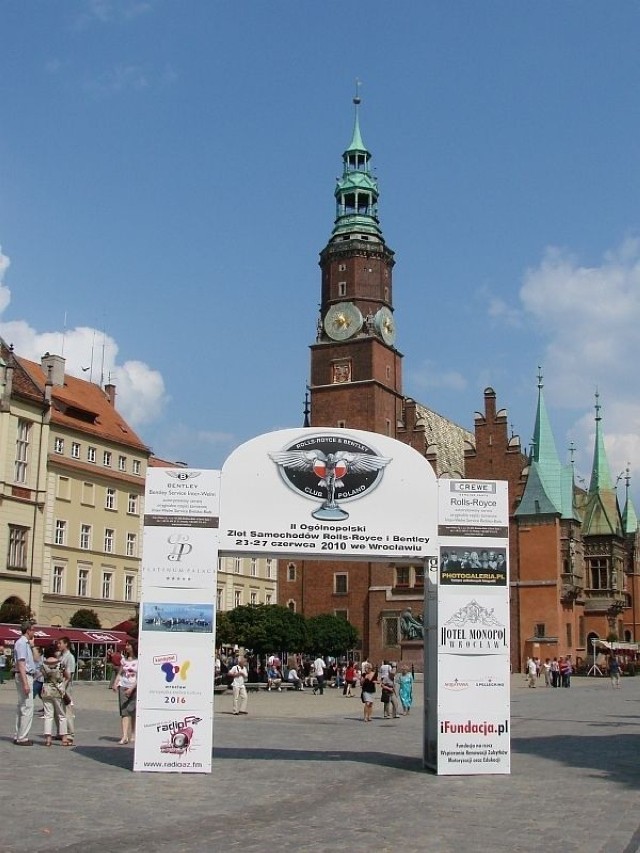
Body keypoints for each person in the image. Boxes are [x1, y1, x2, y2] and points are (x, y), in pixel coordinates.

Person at [40, 646, 71, 747]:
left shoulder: (43, 664)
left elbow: (41, 675)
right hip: (57, 691)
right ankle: (64, 738)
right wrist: (62, 684)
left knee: (48, 715)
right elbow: (68, 676)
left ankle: (48, 739)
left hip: (46, 690)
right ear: (54, 652)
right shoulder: (60, 663)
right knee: (61, 715)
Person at [13, 620, 36, 745]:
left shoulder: (25, 643)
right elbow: (21, 664)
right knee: (27, 707)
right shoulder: (22, 643)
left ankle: (18, 735)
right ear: (28, 630)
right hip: (24, 676)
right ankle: (22, 737)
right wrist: (26, 682)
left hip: (24, 675)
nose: (34, 632)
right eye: (33, 630)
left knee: (22, 706)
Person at [113, 640, 138, 743]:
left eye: (129, 645)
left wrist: (132, 688)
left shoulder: (139, 660)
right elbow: (120, 673)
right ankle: (124, 736)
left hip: (134, 687)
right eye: (126, 645)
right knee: (124, 712)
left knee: (133, 711)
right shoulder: (124, 660)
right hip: (123, 686)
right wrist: (115, 683)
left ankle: (133, 734)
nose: (126, 647)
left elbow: (140, 677)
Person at [57, 637, 76, 744]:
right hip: (58, 687)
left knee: (68, 711)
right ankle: (61, 732)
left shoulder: (70, 657)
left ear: (66, 644)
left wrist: (63, 686)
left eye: (60, 643)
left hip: (66, 689)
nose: (58, 645)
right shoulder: (60, 656)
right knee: (60, 711)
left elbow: (70, 675)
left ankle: (70, 734)